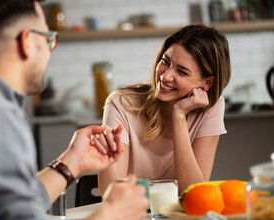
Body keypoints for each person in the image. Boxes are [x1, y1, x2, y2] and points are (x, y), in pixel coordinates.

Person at [0, 0, 149, 220]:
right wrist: (114, 216)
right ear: (27, 42)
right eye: (48, 39)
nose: (50, 50)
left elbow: (7, 209)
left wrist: (72, 162)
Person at [97, 24, 231, 195]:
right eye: (165, 62)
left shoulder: (212, 107)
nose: (165, 76)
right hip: (129, 212)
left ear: (207, 83)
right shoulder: (121, 103)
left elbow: (194, 192)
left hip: (178, 217)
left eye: (182, 72)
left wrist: (179, 115)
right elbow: (111, 192)